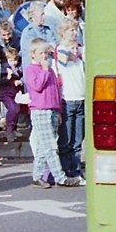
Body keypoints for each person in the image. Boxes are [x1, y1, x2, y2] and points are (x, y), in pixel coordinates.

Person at [25, 38, 83, 187]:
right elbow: (37, 86)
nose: (45, 56)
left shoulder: (50, 70)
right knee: (50, 146)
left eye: (46, 52)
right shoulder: (31, 70)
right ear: (33, 54)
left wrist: (59, 110)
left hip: (52, 110)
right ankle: (60, 177)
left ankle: (37, 176)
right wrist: (44, 70)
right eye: (41, 53)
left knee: (44, 147)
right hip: (40, 111)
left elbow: (55, 91)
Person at [55, 19, 86, 179]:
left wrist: (80, 51)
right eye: (70, 30)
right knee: (66, 139)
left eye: (75, 30)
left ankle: (76, 169)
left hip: (81, 98)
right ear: (63, 32)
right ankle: (66, 169)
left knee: (78, 140)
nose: (74, 33)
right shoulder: (61, 50)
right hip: (68, 99)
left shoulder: (80, 50)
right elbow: (65, 57)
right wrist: (77, 51)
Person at [19, 1, 57, 70]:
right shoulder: (28, 32)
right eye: (41, 15)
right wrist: (47, 46)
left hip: (48, 68)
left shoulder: (48, 30)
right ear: (33, 17)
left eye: (44, 14)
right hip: (34, 70)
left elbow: (54, 46)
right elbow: (35, 50)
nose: (44, 17)